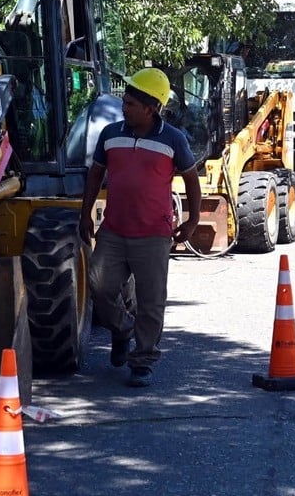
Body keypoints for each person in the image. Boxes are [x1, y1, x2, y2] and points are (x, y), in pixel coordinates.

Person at [79, 67, 202, 388]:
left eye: (131, 103)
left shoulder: (173, 139)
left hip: (154, 235)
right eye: (125, 101)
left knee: (151, 301)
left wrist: (192, 220)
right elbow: (95, 175)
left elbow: (191, 179)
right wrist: (85, 212)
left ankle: (143, 361)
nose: (124, 106)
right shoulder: (110, 134)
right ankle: (122, 329)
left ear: (151, 108)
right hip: (114, 231)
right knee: (99, 286)